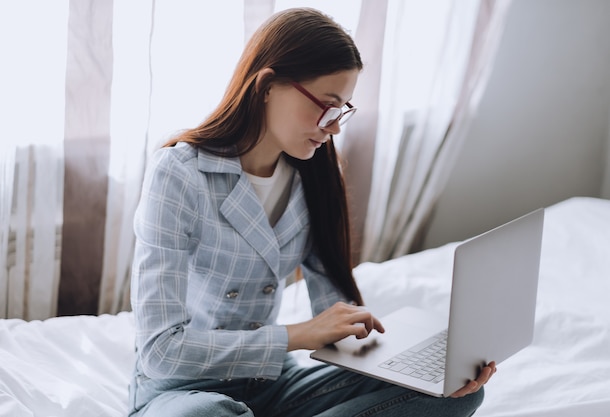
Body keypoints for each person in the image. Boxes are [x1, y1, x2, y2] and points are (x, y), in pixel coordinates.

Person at [128, 7, 495, 417]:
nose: (334, 126)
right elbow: (160, 351)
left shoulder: (315, 177)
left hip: (270, 385)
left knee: (456, 391)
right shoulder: (179, 174)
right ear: (267, 85)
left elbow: (334, 320)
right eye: (326, 105)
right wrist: (296, 335)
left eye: (342, 110)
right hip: (183, 392)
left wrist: (419, 359)